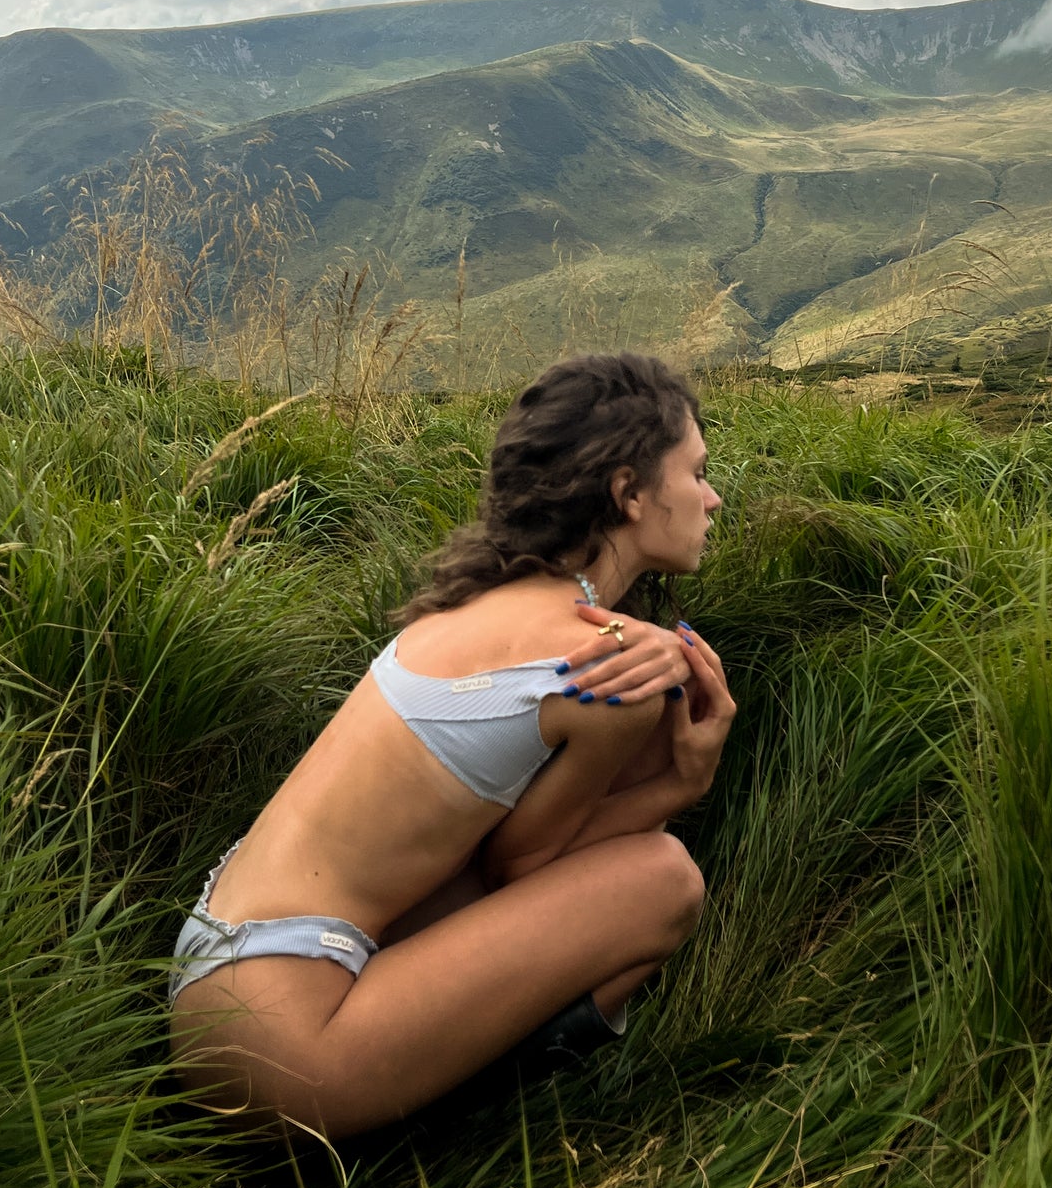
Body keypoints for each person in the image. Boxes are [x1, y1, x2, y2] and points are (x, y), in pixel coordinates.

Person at [170, 352, 734, 1139]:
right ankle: (482, 1131)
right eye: (698, 473)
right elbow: (525, 873)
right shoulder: (607, 665)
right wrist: (681, 783)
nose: (710, 497)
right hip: (287, 1043)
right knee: (662, 878)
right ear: (628, 493)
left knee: (542, 845)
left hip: (214, 970)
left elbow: (495, 861)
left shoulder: (467, 607)